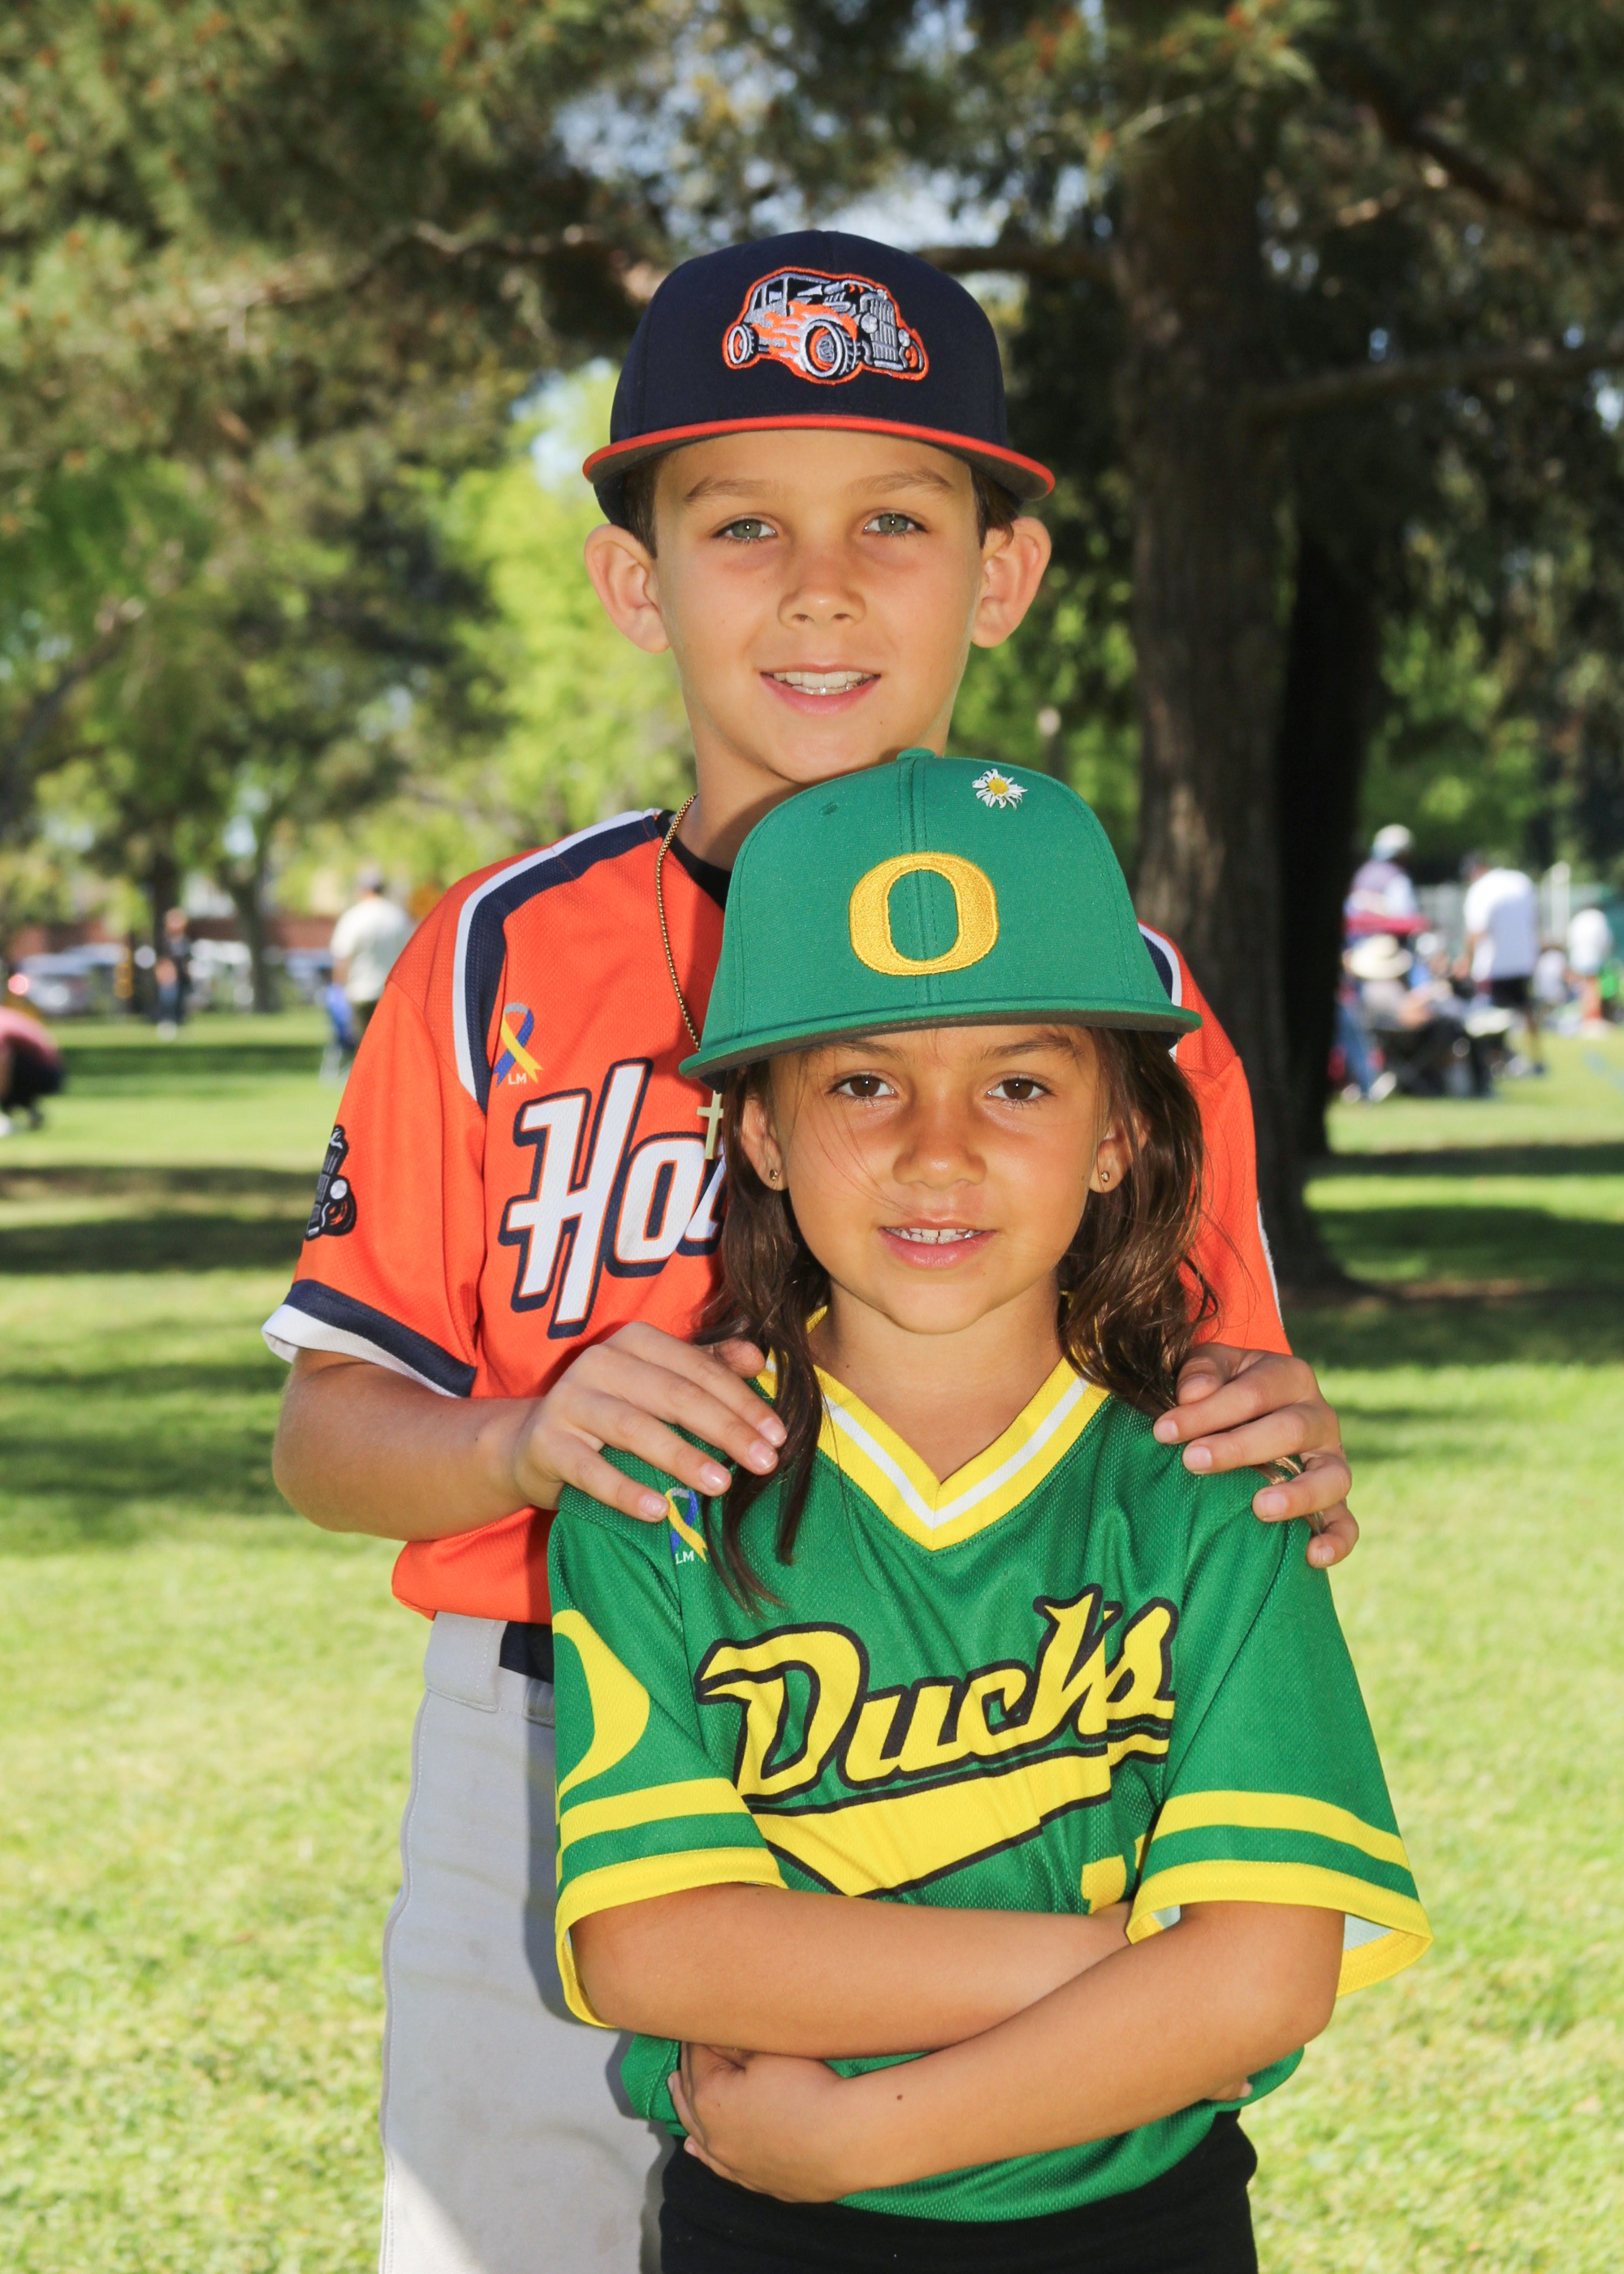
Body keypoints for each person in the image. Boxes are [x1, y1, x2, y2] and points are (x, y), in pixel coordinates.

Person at [267, 233, 1358, 2274]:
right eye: (742, 524)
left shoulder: (1114, 990)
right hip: (556, 1734)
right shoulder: (497, 953)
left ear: (1001, 576)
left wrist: (1272, 1427)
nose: (822, 586)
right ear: (637, 580)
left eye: (894, 521)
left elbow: (1206, 1402)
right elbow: (329, 1431)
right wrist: (519, 1441)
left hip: (1011, 1739)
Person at [551, 757, 1428, 2274]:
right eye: (861, 1082)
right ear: (758, 1131)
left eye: (1019, 1084)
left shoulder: (1216, 1479)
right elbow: (650, 1946)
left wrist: (862, 2137)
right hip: (767, 2239)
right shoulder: (661, 1486)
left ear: (1119, 1131)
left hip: (1135, 2222)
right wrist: (1132, 1965)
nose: (938, 1149)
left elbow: (1265, 1983)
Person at [1459, 853, 1544, 1074]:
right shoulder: (1520, 881)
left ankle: (1497, 1060)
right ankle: (1537, 1057)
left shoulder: (1480, 890)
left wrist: (1466, 960)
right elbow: (1534, 921)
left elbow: (1476, 931)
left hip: (1493, 965)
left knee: (1492, 1016)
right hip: (1524, 960)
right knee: (1526, 1010)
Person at [330, 865, 415, 1040]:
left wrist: (338, 990)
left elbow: (342, 958)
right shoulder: (398, 917)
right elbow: (410, 957)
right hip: (390, 994)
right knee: (388, 1045)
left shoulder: (353, 917)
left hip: (359, 993)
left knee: (363, 1045)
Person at [0, 1003, 65, 1135]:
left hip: (43, 1071)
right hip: (51, 1069)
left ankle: (8, 1115)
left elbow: (3, 1060)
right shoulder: (5, 1014)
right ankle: (27, 1110)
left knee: (5, 1070)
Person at [1345, 823, 1420, 934]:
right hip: (1385, 938)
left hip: (1353, 939)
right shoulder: (1398, 878)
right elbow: (1405, 913)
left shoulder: (1362, 873)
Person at [1567, 902, 1615, 1029]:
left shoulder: (1578, 918)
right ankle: (1593, 1017)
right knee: (1593, 986)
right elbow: (1605, 939)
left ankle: (1586, 1017)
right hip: (1593, 955)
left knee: (1584, 988)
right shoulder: (1598, 917)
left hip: (1577, 956)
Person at [153, 906, 192, 1038]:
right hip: (168, 977)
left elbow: (187, 959)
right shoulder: (164, 940)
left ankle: (178, 1022)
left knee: (180, 1000)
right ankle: (166, 1022)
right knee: (168, 1000)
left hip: (181, 976)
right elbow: (161, 959)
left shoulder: (185, 940)